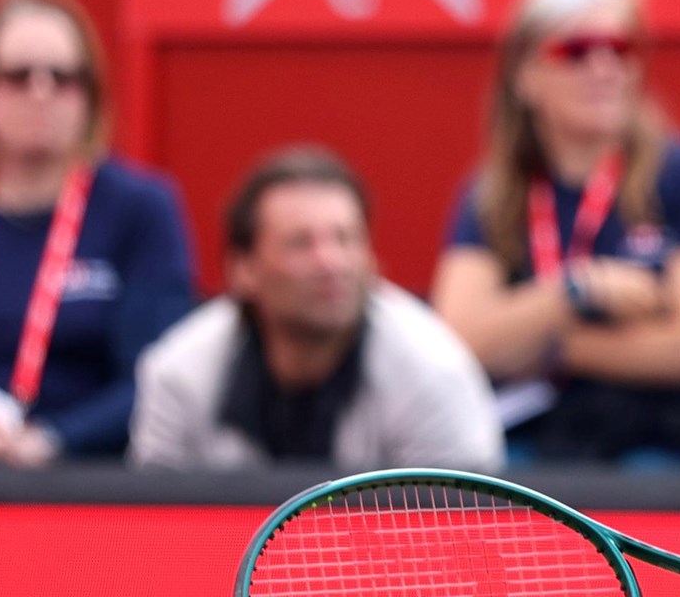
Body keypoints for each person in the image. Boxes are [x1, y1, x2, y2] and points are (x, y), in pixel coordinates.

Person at [431, 0, 680, 464]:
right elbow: (456, 343)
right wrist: (576, 290)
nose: (604, 67)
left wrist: (546, 344)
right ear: (524, 78)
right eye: (575, 51)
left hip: (654, 445)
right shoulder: (494, 193)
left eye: (619, 49)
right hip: (529, 441)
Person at [0, 0, 195, 464]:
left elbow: (159, 377)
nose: (41, 92)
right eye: (17, 75)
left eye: (64, 77)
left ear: (91, 96)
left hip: (89, 480)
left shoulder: (142, 211)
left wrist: (51, 440)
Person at [130, 145, 501, 470]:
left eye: (345, 239)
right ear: (243, 269)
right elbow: (150, 532)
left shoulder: (434, 374)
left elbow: (462, 535)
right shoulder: (176, 375)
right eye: (300, 243)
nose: (331, 263)